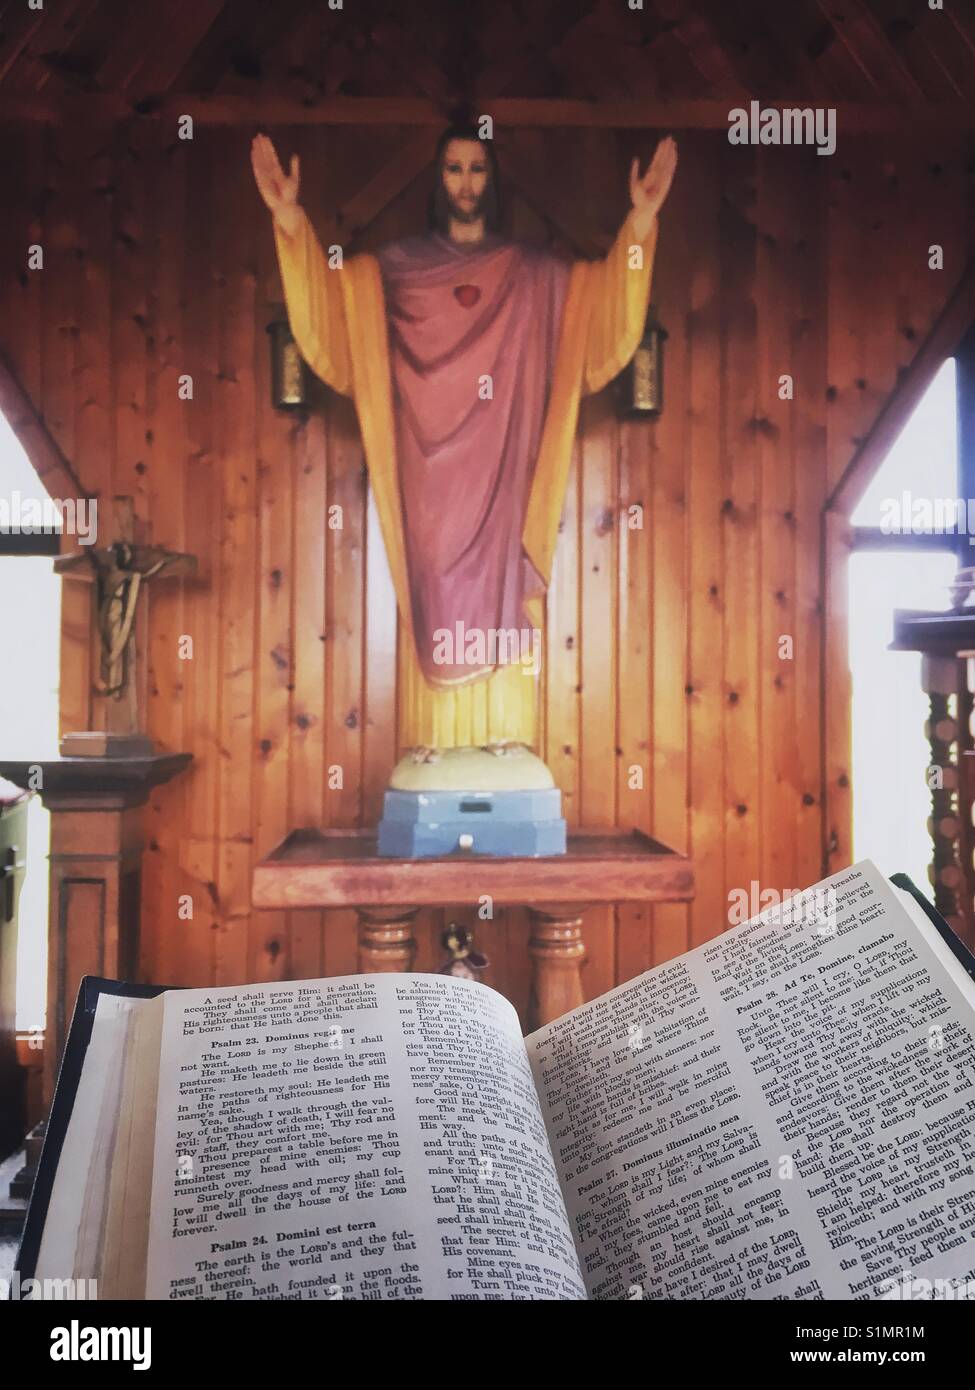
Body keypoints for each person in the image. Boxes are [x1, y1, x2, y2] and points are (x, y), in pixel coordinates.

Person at [251, 125, 677, 779]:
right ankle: (431, 744)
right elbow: (338, 318)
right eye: (453, 169)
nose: (465, 183)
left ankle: (507, 739)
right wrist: (288, 221)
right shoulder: (395, 270)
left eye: (477, 169)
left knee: (503, 586)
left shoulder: (534, 274)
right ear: (437, 179)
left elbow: (595, 314)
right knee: (435, 587)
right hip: (426, 477)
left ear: (493, 178)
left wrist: (641, 224)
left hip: (506, 465)